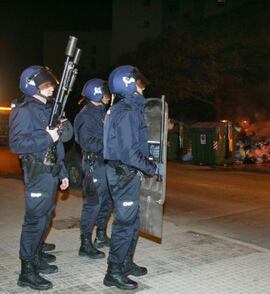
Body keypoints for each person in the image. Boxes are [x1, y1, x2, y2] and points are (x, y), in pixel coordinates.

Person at [9, 65, 70, 290]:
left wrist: (62, 172)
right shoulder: (24, 110)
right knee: (34, 222)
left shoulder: (44, 108)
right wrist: (47, 137)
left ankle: (35, 258)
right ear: (31, 86)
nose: (51, 87)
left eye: (50, 83)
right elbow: (17, 144)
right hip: (37, 173)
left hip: (50, 172)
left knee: (44, 218)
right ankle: (26, 271)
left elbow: (56, 147)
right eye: (46, 84)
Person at [103, 65, 161, 290]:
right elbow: (129, 152)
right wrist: (151, 168)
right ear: (129, 84)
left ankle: (125, 263)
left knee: (132, 222)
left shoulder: (125, 109)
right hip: (123, 174)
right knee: (124, 225)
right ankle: (113, 272)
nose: (143, 86)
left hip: (125, 172)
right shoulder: (127, 111)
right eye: (139, 82)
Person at [74, 79, 113, 259]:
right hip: (93, 164)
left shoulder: (102, 111)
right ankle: (85, 244)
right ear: (98, 94)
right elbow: (87, 143)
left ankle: (101, 235)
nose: (109, 96)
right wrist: (110, 143)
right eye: (106, 92)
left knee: (107, 202)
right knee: (93, 204)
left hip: (104, 163)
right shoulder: (85, 115)